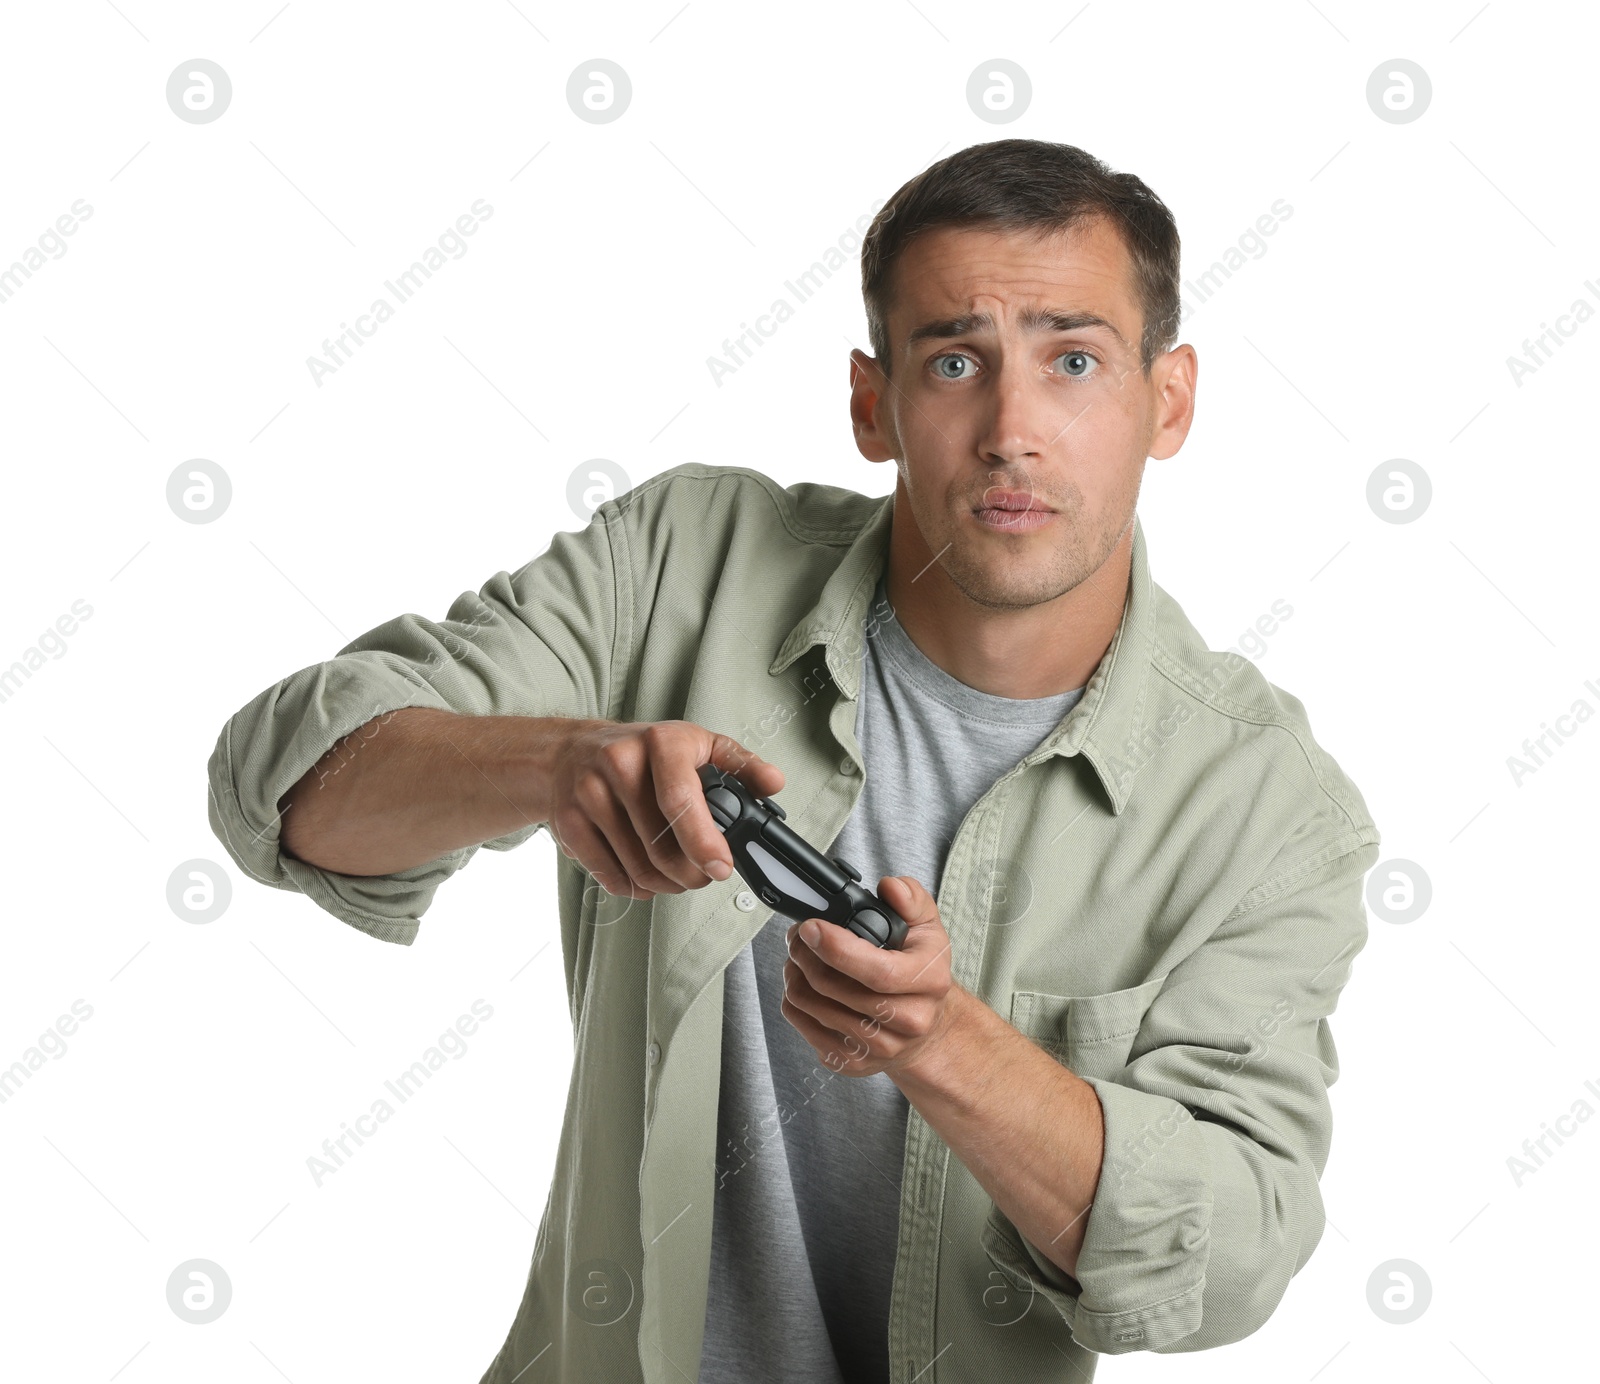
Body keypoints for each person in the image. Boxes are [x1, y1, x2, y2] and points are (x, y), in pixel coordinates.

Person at [207, 137, 1381, 1383]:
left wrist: (941, 1044)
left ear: (1169, 398)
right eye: (954, 360)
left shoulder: (1271, 811)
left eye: (1073, 359)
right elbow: (282, 788)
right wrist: (555, 765)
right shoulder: (679, 563)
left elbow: (1233, 1255)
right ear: (874, 404)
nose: (1009, 431)